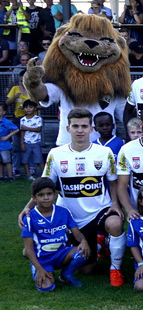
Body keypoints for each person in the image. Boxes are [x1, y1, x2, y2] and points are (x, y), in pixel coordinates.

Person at [19, 108, 125, 286]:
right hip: (69, 215)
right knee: (86, 270)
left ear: (91, 129)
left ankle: (115, 269)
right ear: (68, 129)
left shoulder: (104, 152)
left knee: (114, 223)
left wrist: (115, 203)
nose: (80, 130)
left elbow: (113, 182)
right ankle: (98, 245)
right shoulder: (56, 154)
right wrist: (27, 207)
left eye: (84, 126)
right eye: (75, 126)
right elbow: (45, 184)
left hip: (99, 210)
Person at [21, 178, 90, 291]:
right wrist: (39, 268)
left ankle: (66, 274)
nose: (46, 197)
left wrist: (83, 241)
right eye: (41, 195)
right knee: (47, 288)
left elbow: (77, 234)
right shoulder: (29, 217)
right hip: (42, 258)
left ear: (54, 194)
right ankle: (40, 269)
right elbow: (28, 249)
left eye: (49, 194)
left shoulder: (64, 212)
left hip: (61, 254)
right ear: (34, 198)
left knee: (84, 251)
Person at [18, 100, 43, 178]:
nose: (28, 109)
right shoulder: (22, 120)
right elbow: (22, 132)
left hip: (36, 142)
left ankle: (45, 174)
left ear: (35, 108)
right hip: (26, 142)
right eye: (26, 107)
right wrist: (22, 143)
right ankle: (28, 175)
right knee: (25, 160)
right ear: (24, 109)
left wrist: (27, 128)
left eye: (30, 107)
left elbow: (39, 129)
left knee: (39, 160)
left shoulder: (38, 118)